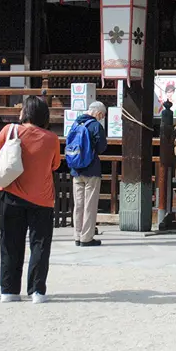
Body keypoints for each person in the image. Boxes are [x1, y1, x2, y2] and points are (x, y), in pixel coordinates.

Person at [0, 96, 61, 304]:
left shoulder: (9, 131)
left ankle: (9, 290)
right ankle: (37, 291)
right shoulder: (52, 138)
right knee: (40, 245)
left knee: (10, 243)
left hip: (11, 194)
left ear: (25, 112)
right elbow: (55, 165)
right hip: (42, 198)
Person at [69, 101, 108, 247]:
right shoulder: (96, 126)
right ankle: (86, 237)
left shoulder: (75, 124)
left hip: (76, 169)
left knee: (78, 204)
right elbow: (101, 147)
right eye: (102, 115)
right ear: (98, 113)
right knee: (89, 205)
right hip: (91, 170)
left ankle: (77, 235)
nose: (101, 118)